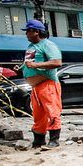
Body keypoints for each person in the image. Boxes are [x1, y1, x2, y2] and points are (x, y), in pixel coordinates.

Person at [18, 19, 63, 149]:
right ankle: (39, 140)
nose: (26, 34)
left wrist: (35, 65)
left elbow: (57, 62)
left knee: (52, 111)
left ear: (36, 32)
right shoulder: (31, 47)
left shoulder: (47, 45)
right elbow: (30, 63)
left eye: (28, 31)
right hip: (36, 87)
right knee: (38, 114)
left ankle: (54, 140)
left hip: (47, 83)